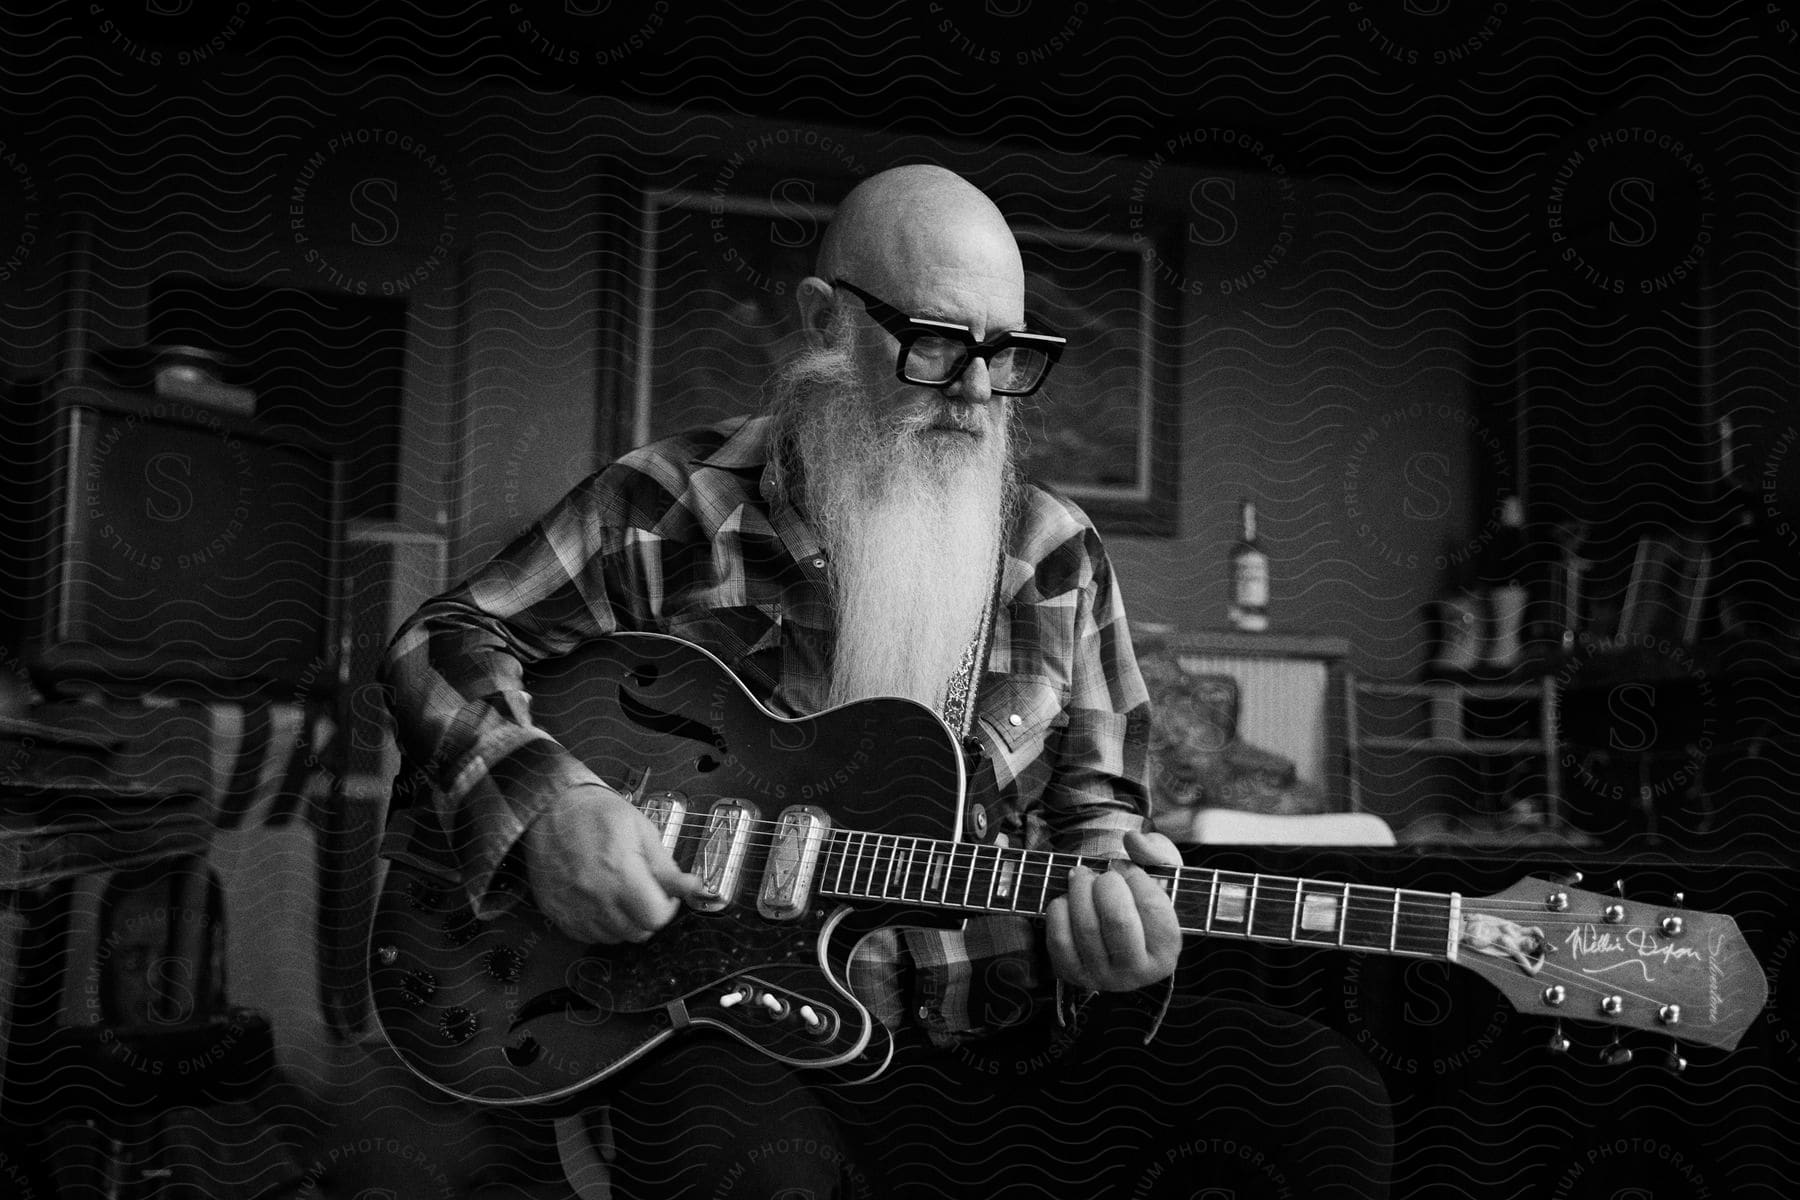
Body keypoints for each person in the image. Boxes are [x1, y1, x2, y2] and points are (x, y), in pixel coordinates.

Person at [379, 163, 1392, 1198]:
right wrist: (550, 806)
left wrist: (1110, 923)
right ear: (827, 321)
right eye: (940, 342)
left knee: (1315, 1095)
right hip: (740, 1040)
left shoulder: (1057, 555)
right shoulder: (661, 505)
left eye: (1008, 353)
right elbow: (440, 640)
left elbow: (1096, 820)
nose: (980, 392)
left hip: (1001, 1039)